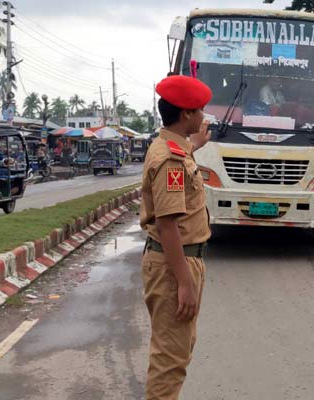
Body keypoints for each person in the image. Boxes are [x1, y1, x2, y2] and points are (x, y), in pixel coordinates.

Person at [140, 75, 212, 400]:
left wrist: (194, 145)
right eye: (199, 110)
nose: (203, 117)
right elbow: (168, 225)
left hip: (177, 262)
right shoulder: (170, 159)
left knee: (177, 351)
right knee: (170, 361)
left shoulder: (173, 150)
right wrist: (184, 283)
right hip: (174, 266)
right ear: (185, 114)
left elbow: (181, 172)